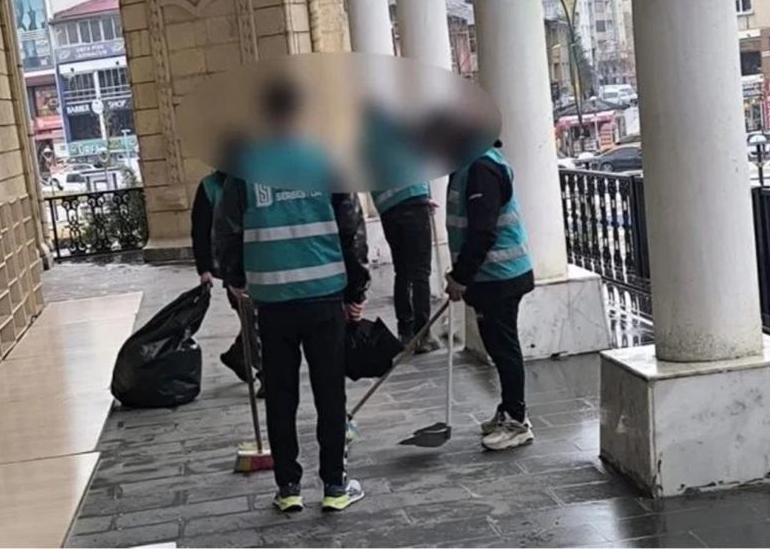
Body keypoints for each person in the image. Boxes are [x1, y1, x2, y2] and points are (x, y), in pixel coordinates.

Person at [216, 80, 370, 513]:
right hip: (324, 295)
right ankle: (335, 486)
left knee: (281, 395)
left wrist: (236, 278)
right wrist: (356, 290)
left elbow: (226, 230)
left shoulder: (245, 169)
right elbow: (351, 229)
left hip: (271, 300)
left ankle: (288, 488)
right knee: (329, 393)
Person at [444, 141, 535, 451]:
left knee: (504, 348)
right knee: (498, 346)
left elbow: (482, 231)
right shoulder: (467, 163)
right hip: (490, 277)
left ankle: (517, 421)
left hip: (501, 276)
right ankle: (509, 409)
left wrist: (460, 277)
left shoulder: (481, 167)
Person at [190, 170, 264, 398]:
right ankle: (267, 374)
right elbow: (200, 229)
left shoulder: (255, 180)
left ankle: (238, 354)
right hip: (234, 269)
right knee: (253, 321)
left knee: (261, 320)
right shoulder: (210, 187)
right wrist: (204, 269)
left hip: (262, 262)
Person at [371, 185, 440, 352]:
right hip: (413, 197)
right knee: (420, 272)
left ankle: (406, 333)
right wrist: (421, 197)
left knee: (402, 272)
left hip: (387, 208)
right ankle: (422, 336)